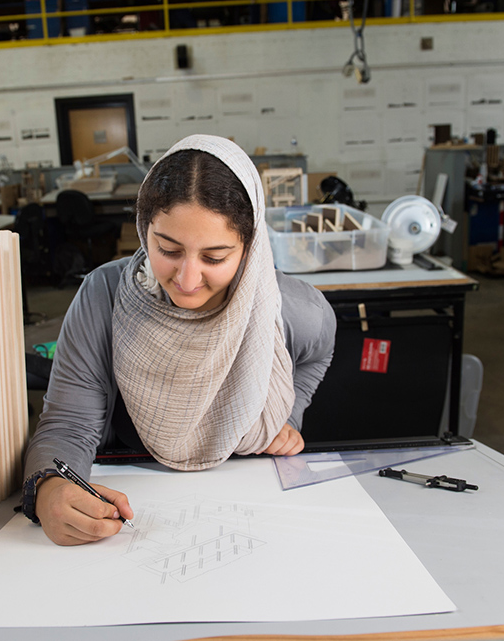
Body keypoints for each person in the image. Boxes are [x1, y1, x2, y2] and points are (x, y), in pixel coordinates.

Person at [23, 134, 336, 546]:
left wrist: (288, 414)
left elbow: (318, 354)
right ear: (143, 229)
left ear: (249, 246)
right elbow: (69, 422)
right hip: (135, 479)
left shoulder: (293, 309)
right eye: (167, 249)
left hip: (249, 502)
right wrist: (48, 487)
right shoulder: (105, 295)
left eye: (215, 257)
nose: (187, 282)